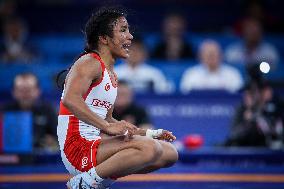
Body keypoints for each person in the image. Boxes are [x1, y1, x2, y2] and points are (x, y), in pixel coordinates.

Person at [57, 7, 178, 189]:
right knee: (149, 148)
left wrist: (150, 133)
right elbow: (70, 99)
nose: (130, 36)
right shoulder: (89, 61)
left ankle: (98, 181)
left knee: (169, 153)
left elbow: (108, 119)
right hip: (77, 148)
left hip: (96, 144)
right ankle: (84, 183)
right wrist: (108, 127)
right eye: (123, 30)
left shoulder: (112, 75)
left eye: (128, 30)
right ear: (103, 38)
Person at [1, 73, 58, 151]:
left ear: (38, 91)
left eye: (29, 90)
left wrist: (53, 142)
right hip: (10, 157)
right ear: (13, 92)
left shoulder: (48, 110)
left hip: (41, 159)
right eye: (21, 90)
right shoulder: (4, 111)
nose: (25, 94)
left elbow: (59, 138)